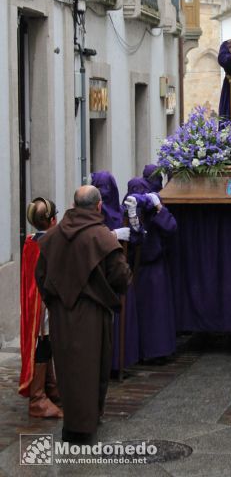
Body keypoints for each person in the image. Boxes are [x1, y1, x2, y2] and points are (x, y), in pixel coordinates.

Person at [35, 185, 132, 444]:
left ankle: (73, 425)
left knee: (68, 368)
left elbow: (41, 275)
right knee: (92, 368)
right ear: (98, 206)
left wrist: (54, 302)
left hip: (61, 315)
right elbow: (121, 275)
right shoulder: (102, 237)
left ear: (75, 205)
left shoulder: (53, 236)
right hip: (92, 313)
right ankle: (87, 425)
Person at [125, 178, 178, 362]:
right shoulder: (127, 208)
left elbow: (170, 227)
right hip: (136, 268)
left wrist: (158, 208)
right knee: (140, 313)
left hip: (155, 268)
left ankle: (158, 351)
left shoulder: (156, 210)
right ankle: (140, 350)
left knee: (157, 312)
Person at [19, 197, 63, 419]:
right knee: (44, 343)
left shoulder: (30, 241)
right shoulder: (49, 243)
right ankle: (37, 398)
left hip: (35, 302)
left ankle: (49, 385)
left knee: (46, 342)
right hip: (43, 304)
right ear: (53, 220)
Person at [91, 170, 139, 372]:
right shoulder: (91, 214)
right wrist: (112, 235)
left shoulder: (119, 212)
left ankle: (119, 362)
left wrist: (134, 221)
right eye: (100, 188)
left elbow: (136, 238)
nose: (104, 192)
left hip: (118, 270)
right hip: (99, 275)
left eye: (106, 188)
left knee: (121, 320)